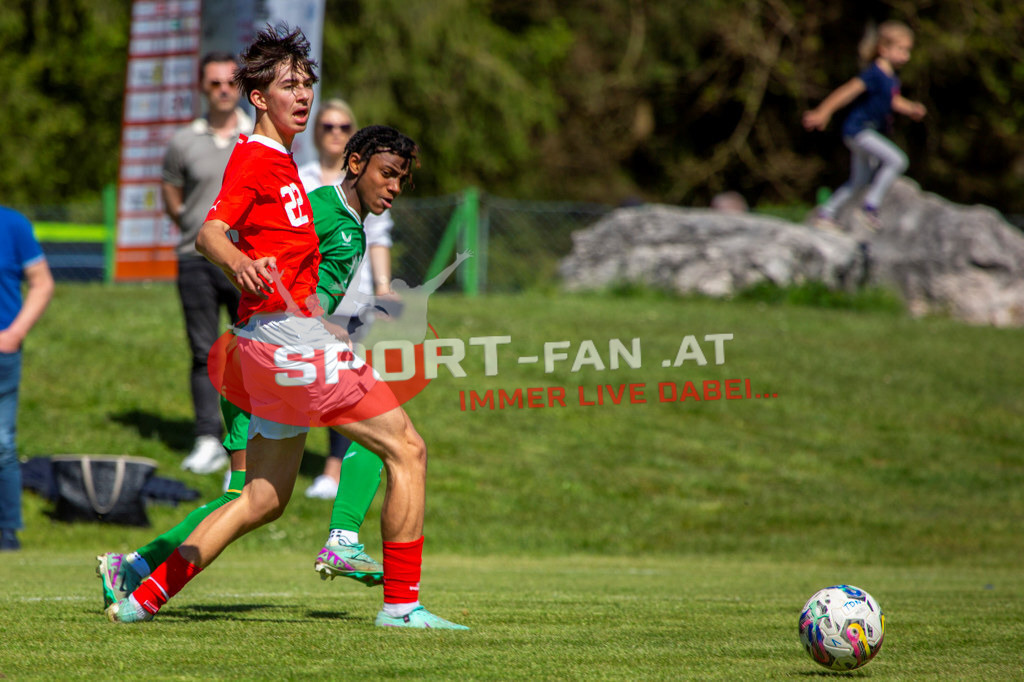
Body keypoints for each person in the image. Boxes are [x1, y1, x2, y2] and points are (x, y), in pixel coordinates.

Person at [105, 24, 467, 630]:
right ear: (258, 97)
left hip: (269, 344)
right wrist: (242, 263)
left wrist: (265, 264)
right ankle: (402, 606)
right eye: (288, 86)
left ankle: (138, 599)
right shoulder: (253, 157)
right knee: (407, 448)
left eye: (306, 86)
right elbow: (208, 233)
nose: (302, 96)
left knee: (263, 499)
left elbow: (263, 238)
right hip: (289, 343)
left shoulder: (285, 165)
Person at [297, 98, 397, 502]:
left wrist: (386, 290)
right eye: (327, 127)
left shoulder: (369, 192)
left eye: (343, 127)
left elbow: (378, 237)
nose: (334, 133)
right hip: (301, 314)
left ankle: (332, 473)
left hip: (350, 303)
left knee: (357, 402)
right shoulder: (301, 179)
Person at [163, 52, 254, 475]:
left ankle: (248, 442)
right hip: (194, 258)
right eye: (214, 83)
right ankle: (206, 439)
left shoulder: (256, 136)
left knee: (250, 351)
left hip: (246, 261)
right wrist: (189, 224)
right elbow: (172, 192)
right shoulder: (183, 141)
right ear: (203, 87)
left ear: (240, 87)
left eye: (229, 82)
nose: (222, 90)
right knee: (203, 351)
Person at [802, 20, 927, 232]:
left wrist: (911, 108)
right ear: (883, 49)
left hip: (863, 132)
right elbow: (847, 91)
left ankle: (826, 213)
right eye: (901, 49)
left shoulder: (891, 78)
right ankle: (870, 206)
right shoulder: (874, 74)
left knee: (859, 180)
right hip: (859, 130)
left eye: (908, 50)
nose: (906, 55)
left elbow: (893, 102)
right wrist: (823, 111)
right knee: (897, 160)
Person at [0, 207, 54, 551]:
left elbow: (42, 282)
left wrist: (14, 333)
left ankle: (7, 530)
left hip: (3, 351)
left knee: (2, 442)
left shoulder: (12, 224)